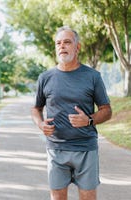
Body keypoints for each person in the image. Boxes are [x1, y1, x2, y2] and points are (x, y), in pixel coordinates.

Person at [31, 26, 112, 200]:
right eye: (58, 43)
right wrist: (40, 124)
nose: (62, 46)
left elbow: (107, 110)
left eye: (67, 42)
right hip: (56, 149)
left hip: (85, 149)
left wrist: (88, 120)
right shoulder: (45, 78)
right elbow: (36, 108)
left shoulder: (92, 76)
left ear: (77, 47)